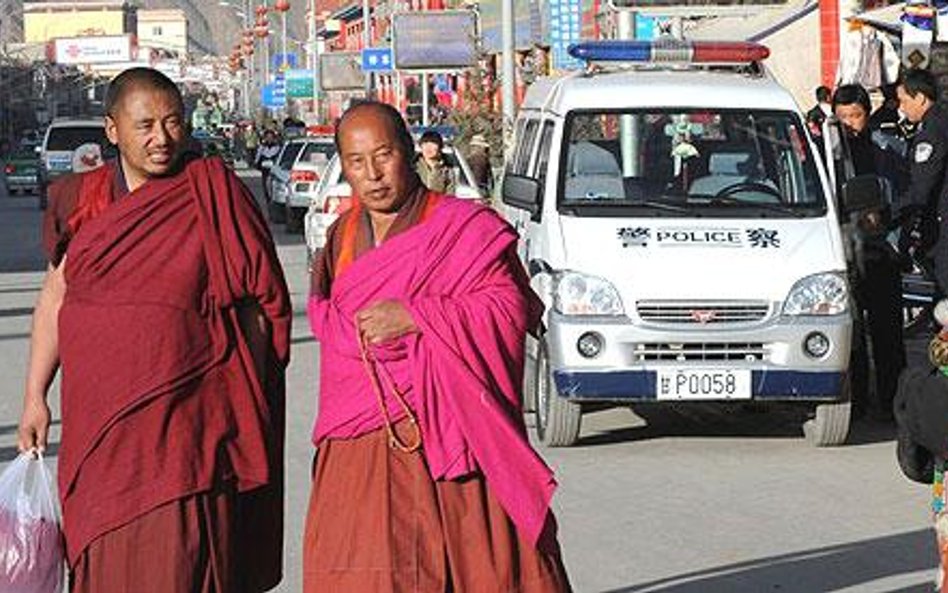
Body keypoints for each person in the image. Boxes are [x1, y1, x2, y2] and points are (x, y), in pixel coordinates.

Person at [16, 67, 291, 592]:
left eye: (173, 123)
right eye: (145, 125)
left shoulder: (214, 194)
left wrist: (244, 396)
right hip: (100, 424)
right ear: (112, 129)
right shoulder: (84, 199)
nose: (161, 139)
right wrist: (35, 396)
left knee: (184, 555)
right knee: (105, 541)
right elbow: (55, 296)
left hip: (193, 422)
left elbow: (258, 304)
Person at [304, 101, 572, 592]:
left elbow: (508, 309)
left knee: (477, 567)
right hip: (360, 439)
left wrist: (417, 316)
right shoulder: (341, 235)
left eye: (383, 156)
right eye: (357, 162)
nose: (373, 174)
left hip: (449, 434)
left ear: (410, 153)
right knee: (354, 567)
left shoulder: (463, 227)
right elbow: (331, 327)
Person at [831, 83, 907, 420]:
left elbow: (905, 192)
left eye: (856, 115)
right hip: (842, 251)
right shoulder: (826, 153)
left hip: (880, 249)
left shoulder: (887, 148)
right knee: (852, 334)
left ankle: (893, 401)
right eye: (842, 116)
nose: (849, 123)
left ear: (867, 114)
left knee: (887, 332)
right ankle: (856, 401)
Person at [897, 68, 948, 291]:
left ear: (920, 98)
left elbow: (921, 189)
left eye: (904, 100)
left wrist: (889, 214)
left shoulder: (932, 133)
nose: (901, 107)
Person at [415, 129, 456, 194]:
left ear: (440, 147)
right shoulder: (413, 167)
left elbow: (449, 195)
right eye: (425, 143)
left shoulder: (447, 171)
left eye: (433, 143)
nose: (428, 147)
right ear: (421, 146)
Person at [255, 129, 282, 200]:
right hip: (265, 169)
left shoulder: (278, 147)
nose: (269, 139)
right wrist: (257, 163)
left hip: (274, 169)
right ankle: (267, 197)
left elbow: (280, 157)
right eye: (268, 137)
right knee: (265, 184)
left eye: (271, 137)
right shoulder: (262, 147)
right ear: (265, 138)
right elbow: (258, 156)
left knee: (274, 183)